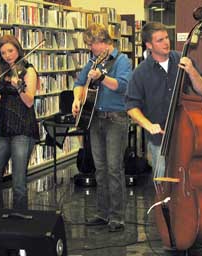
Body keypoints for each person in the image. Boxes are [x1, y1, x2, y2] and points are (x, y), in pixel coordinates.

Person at [72, 23, 132, 232]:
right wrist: (76, 100)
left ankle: (117, 217)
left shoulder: (122, 60)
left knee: (114, 168)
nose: (91, 49)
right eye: (89, 45)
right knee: (100, 168)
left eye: (93, 45)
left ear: (104, 42)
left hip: (115, 119)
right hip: (95, 118)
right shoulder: (92, 61)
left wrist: (102, 77)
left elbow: (122, 86)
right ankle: (102, 212)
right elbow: (79, 83)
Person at [125, 22, 202, 175]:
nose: (166, 42)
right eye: (160, 40)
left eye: (167, 38)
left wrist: (191, 71)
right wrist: (148, 125)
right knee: (162, 182)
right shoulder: (140, 72)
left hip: (186, 133)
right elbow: (131, 106)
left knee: (188, 177)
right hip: (159, 138)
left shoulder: (182, 59)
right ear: (149, 45)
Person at [0, 34, 39, 210]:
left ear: (17, 49)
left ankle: (20, 220)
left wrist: (19, 87)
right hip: (2, 127)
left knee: (18, 182)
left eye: (10, 50)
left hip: (22, 128)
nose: (7, 55)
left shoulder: (28, 70)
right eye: (3, 53)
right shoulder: (1, 70)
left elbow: (29, 101)